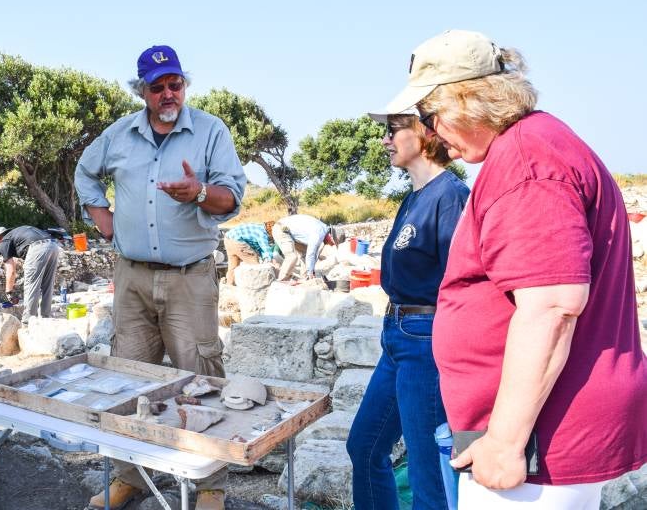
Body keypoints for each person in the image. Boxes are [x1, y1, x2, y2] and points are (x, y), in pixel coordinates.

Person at [386, 30, 647, 508]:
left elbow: (552, 306)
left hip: (538, 438)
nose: (429, 132)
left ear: (464, 102)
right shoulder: (532, 146)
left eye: (429, 116)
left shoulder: (527, 163)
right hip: (533, 429)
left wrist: (505, 442)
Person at [75, 44, 246, 510]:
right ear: (142, 92)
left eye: (176, 83)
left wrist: (200, 193)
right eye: (158, 87)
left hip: (190, 278)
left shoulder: (211, 131)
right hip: (130, 279)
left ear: (183, 85)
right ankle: (131, 476)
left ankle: (210, 486)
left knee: (202, 380)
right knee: (131, 381)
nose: (169, 93)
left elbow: (232, 199)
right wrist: (102, 218)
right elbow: (84, 173)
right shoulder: (119, 135)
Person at [346, 108, 469, 509]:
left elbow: (463, 285)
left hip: (427, 339)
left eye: (393, 130)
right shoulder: (414, 198)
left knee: (427, 473)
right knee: (364, 446)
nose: (385, 140)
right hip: (397, 336)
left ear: (424, 133)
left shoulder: (450, 197)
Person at [0, 225, 61, 321]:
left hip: (37, 248)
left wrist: (8, 293)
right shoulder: (16, 233)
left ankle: (28, 321)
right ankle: (46, 318)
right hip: (53, 245)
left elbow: (11, 271)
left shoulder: (4, 241)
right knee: (48, 285)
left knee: (31, 286)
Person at [271, 214, 334, 281]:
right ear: (331, 236)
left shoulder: (323, 228)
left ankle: (305, 278)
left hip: (290, 232)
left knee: (305, 253)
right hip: (281, 229)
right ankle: (282, 281)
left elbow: (312, 254)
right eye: (332, 243)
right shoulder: (319, 233)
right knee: (292, 256)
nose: (330, 244)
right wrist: (311, 271)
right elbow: (311, 253)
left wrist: (311, 270)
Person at [222, 221, 275, 285]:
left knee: (233, 266)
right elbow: (266, 249)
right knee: (255, 264)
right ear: (271, 231)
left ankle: (229, 285)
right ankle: (256, 286)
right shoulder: (262, 233)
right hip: (237, 241)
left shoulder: (258, 227)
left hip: (228, 239)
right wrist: (270, 261)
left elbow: (259, 248)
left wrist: (264, 257)